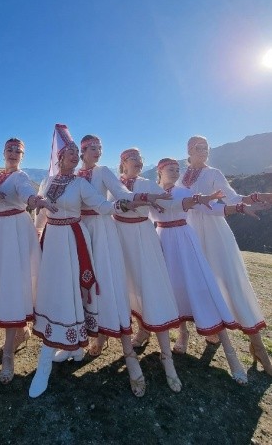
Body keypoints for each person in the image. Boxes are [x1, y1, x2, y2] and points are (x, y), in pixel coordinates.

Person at [29, 124, 141, 399]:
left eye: (75, 152)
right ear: (59, 157)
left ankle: (46, 363)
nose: (73, 156)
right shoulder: (48, 182)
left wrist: (125, 203)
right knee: (54, 290)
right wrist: (35, 231)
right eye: (69, 152)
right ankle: (74, 348)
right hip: (52, 241)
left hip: (75, 239)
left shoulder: (81, 183)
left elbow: (103, 204)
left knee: (73, 290)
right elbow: (41, 212)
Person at [76, 135, 171, 396]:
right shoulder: (74, 174)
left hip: (102, 231)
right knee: (86, 286)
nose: (97, 151)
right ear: (82, 150)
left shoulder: (103, 171)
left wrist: (143, 197)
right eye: (92, 148)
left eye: (100, 148)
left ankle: (129, 356)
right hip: (80, 232)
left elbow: (122, 194)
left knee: (109, 285)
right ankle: (96, 336)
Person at [175, 135, 272, 375]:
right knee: (197, 283)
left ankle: (258, 347)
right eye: (199, 147)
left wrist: (255, 198)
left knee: (230, 282)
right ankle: (210, 330)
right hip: (189, 234)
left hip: (214, 233)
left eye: (206, 147)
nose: (204, 151)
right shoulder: (181, 175)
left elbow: (233, 198)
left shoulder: (213, 173)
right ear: (189, 150)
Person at [153, 158, 249, 385]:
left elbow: (211, 208)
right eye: (170, 169)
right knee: (174, 288)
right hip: (163, 240)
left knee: (202, 287)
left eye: (177, 169)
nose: (175, 172)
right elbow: (143, 216)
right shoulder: (152, 193)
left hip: (184, 240)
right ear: (160, 171)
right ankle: (183, 334)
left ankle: (232, 356)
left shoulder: (183, 191)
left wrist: (238, 207)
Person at [0, 138, 57, 384]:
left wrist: (35, 201)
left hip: (15, 231)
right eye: (10, 149)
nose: (14, 153)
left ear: (23, 156)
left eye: (19, 151)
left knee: (12, 286)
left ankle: (8, 353)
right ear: (3, 152)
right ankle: (21, 332)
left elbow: (26, 192)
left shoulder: (21, 176)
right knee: (3, 284)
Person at [114, 148, 183, 392]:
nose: (139, 162)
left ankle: (167, 357)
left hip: (143, 237)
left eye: (141, 159)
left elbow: (169, 201)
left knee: (151, 287)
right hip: (118, 237)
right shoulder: (114, 183)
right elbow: (105, 204)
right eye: (134, 158)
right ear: (123, 162)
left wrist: (195, 200)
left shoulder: (147, 183)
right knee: (125, 289)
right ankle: (133, 349)